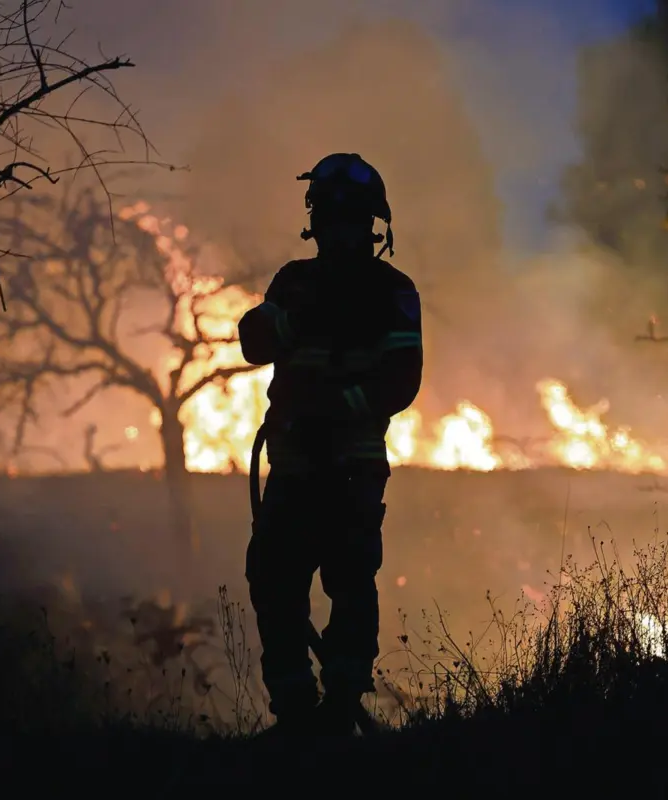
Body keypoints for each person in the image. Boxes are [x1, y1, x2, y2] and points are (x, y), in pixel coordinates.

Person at [238, 153, 424, 736]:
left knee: (349, 583)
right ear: (315, 220)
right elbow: (254, 341)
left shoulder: (394, 292)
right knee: (274, 580)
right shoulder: (294, 283)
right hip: (293, 467)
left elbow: (402, 380)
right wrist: (300, 318)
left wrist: (336, 414)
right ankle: (294, 712)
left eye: (349, 217)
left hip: (351, 470)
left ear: (371, 223)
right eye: (329, 215)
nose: (337, 228)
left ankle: (340, 708)